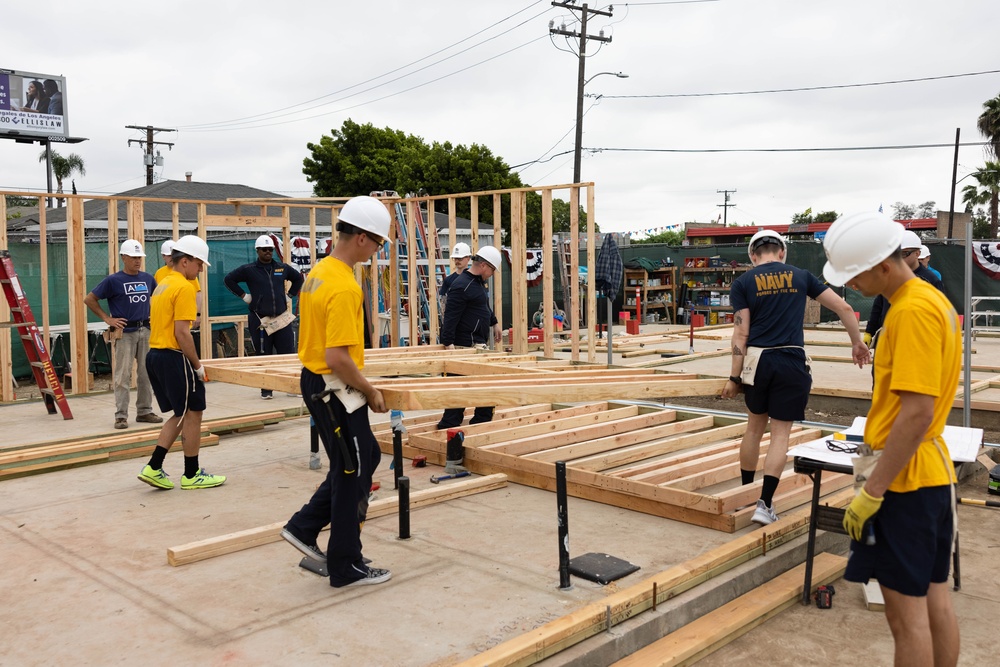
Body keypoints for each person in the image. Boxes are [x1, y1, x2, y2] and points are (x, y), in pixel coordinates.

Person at [823, 212, 960, 667]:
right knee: (935, 601)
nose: (852, 285)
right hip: (928, 476)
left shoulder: (911, 311)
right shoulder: (929, 299)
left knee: (907, 620)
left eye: (854, 274)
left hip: (905, 482)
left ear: (884, 264)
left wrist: (874, 490)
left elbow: (917, 412)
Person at [280, 196, 391, 588]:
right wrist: (371, 390)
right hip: (335, 387)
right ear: (361, 237)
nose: (378, 251)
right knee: (352, 471)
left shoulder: (320, 271)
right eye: (378, 243)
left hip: (321, 383)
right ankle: (346, 565)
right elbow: (338, 356)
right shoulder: (344, 285)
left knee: (365, 458)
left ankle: (304, 526)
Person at [721, 230, 868, 525]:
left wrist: (734, 378)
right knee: (780, 434)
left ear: (752, 255)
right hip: (791, 362)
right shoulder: (800, 276)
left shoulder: (743, 283)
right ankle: (764, 504)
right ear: (782, 252)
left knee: (753, 429)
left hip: (757, 363)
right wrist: (857, 342)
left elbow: (741, 332)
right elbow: (844, 307)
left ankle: (745, 496)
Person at [137, 236, 225, 491]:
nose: (200, 270)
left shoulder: (163, 284)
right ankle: (191, 473)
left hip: (155, 355)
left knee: (182, 413)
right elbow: (182, 333)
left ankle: (155, 466)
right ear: (185, 261)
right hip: (173, 355)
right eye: (199, 264)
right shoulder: (184, 288)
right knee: (193, 413)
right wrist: (197, 365)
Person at [83, 240, 163, 430]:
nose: (137, 261)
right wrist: (107, 319)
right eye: (134, 257)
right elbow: (89, 299)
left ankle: (144, 411)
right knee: (122, 375)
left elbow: (158, 299)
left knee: (146, 373)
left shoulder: (148, 279)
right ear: (123, 258)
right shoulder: (113, 280)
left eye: (140, 258)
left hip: (145, 330)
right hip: (125, 333)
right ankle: (121, 416)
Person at [435, 246, 503, 440]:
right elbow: (450, 317)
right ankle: (446, 430)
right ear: (483, 265)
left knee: (485, 387)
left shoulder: (477, 283)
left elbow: (483, 305)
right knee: (460, 391)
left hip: (477, 345)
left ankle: (480, 424)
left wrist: (494, 322)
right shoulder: (461, 285)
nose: (492, 275)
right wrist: (448, 345)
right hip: (464, 346)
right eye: (491, 270)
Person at [224, 234, 303, 399]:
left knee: (287, 353)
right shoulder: (249, 270)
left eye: (270, 249)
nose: (268, 252)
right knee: (263, 354)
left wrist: (289, 296)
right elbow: (229, 279)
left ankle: (290, 387)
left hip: (281, 318)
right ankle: (266, 390)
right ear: (257, 250)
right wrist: (244, 296)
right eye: (264, 250)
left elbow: (297, 279)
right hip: (260, 320)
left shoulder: (281, 268)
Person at [864, 231, 943, 348]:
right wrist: (869, 332)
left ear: (917, 253)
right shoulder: (888, 276)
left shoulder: (931, 280)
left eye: (904, 253)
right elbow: (879, 306)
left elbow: (939, 313)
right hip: (887, 339)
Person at [154, 239, 203, 328]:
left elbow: (198, 294)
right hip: (165, 323)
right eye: (169, 256)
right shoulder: (159, 273)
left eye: (173, 255)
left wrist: (197, 314)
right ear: (163, 256)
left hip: (182, 319)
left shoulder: (189, 274)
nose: (172, 258)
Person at [438, 241, 472, 317]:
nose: (457, 261)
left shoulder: (474, 279)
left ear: (468, 258)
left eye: (460, 258)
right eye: (455, 258)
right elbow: (443, 302)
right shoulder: (448, 280)